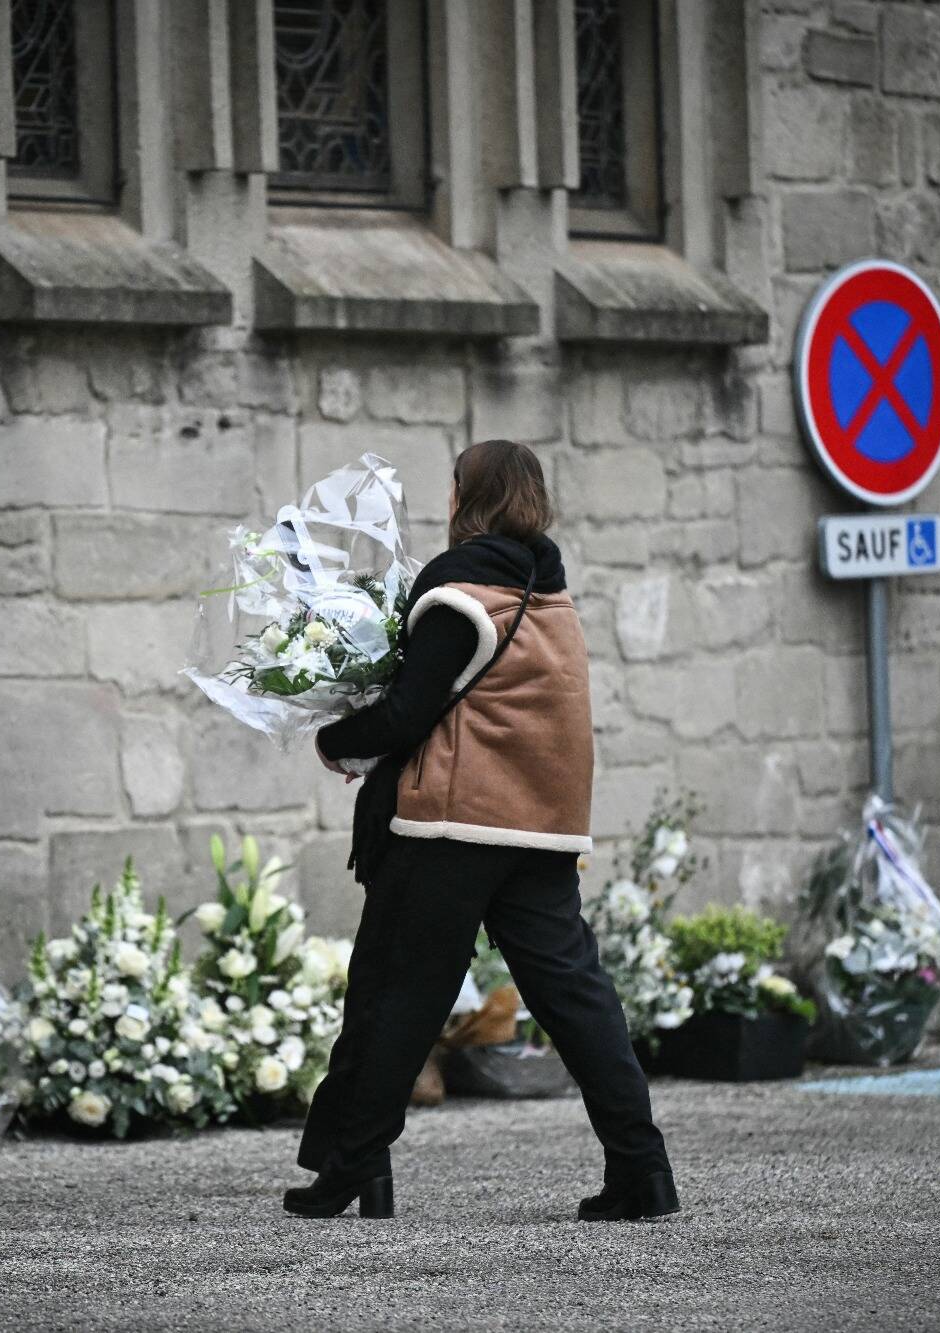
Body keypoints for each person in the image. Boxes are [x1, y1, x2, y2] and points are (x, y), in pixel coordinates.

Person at [285, 439, 678, 1223]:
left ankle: (351, 1167)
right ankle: (643, 1170)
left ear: (471, 497)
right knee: (579, 1001)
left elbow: (405, 713)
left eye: (455, 487)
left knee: (397, 996)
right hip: (538, 833)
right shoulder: (550, 591)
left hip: (451, 831)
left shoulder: (459, 597)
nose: (448, 500)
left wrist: (333, 741)